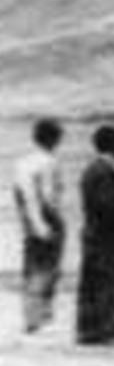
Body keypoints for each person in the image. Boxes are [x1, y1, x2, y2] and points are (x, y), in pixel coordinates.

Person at [76, 126, 114, 345]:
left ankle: (89, 329)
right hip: (105, 236)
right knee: (107, 282)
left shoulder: (91, 169)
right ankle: (105, 330)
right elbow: (108, 207)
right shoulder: (106, 171)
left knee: (91, 283)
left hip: (92, 233)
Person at [11, 118, 65, 335]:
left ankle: (30, 316)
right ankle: (41, 316)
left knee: (31, 267)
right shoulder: (49, 162)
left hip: (26, 219)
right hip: (47, 217)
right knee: (48, 268)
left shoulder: (22, 162)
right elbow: (47, 197)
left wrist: (30, 221)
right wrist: (45, 224)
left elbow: (22, 196)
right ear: (53, 139)